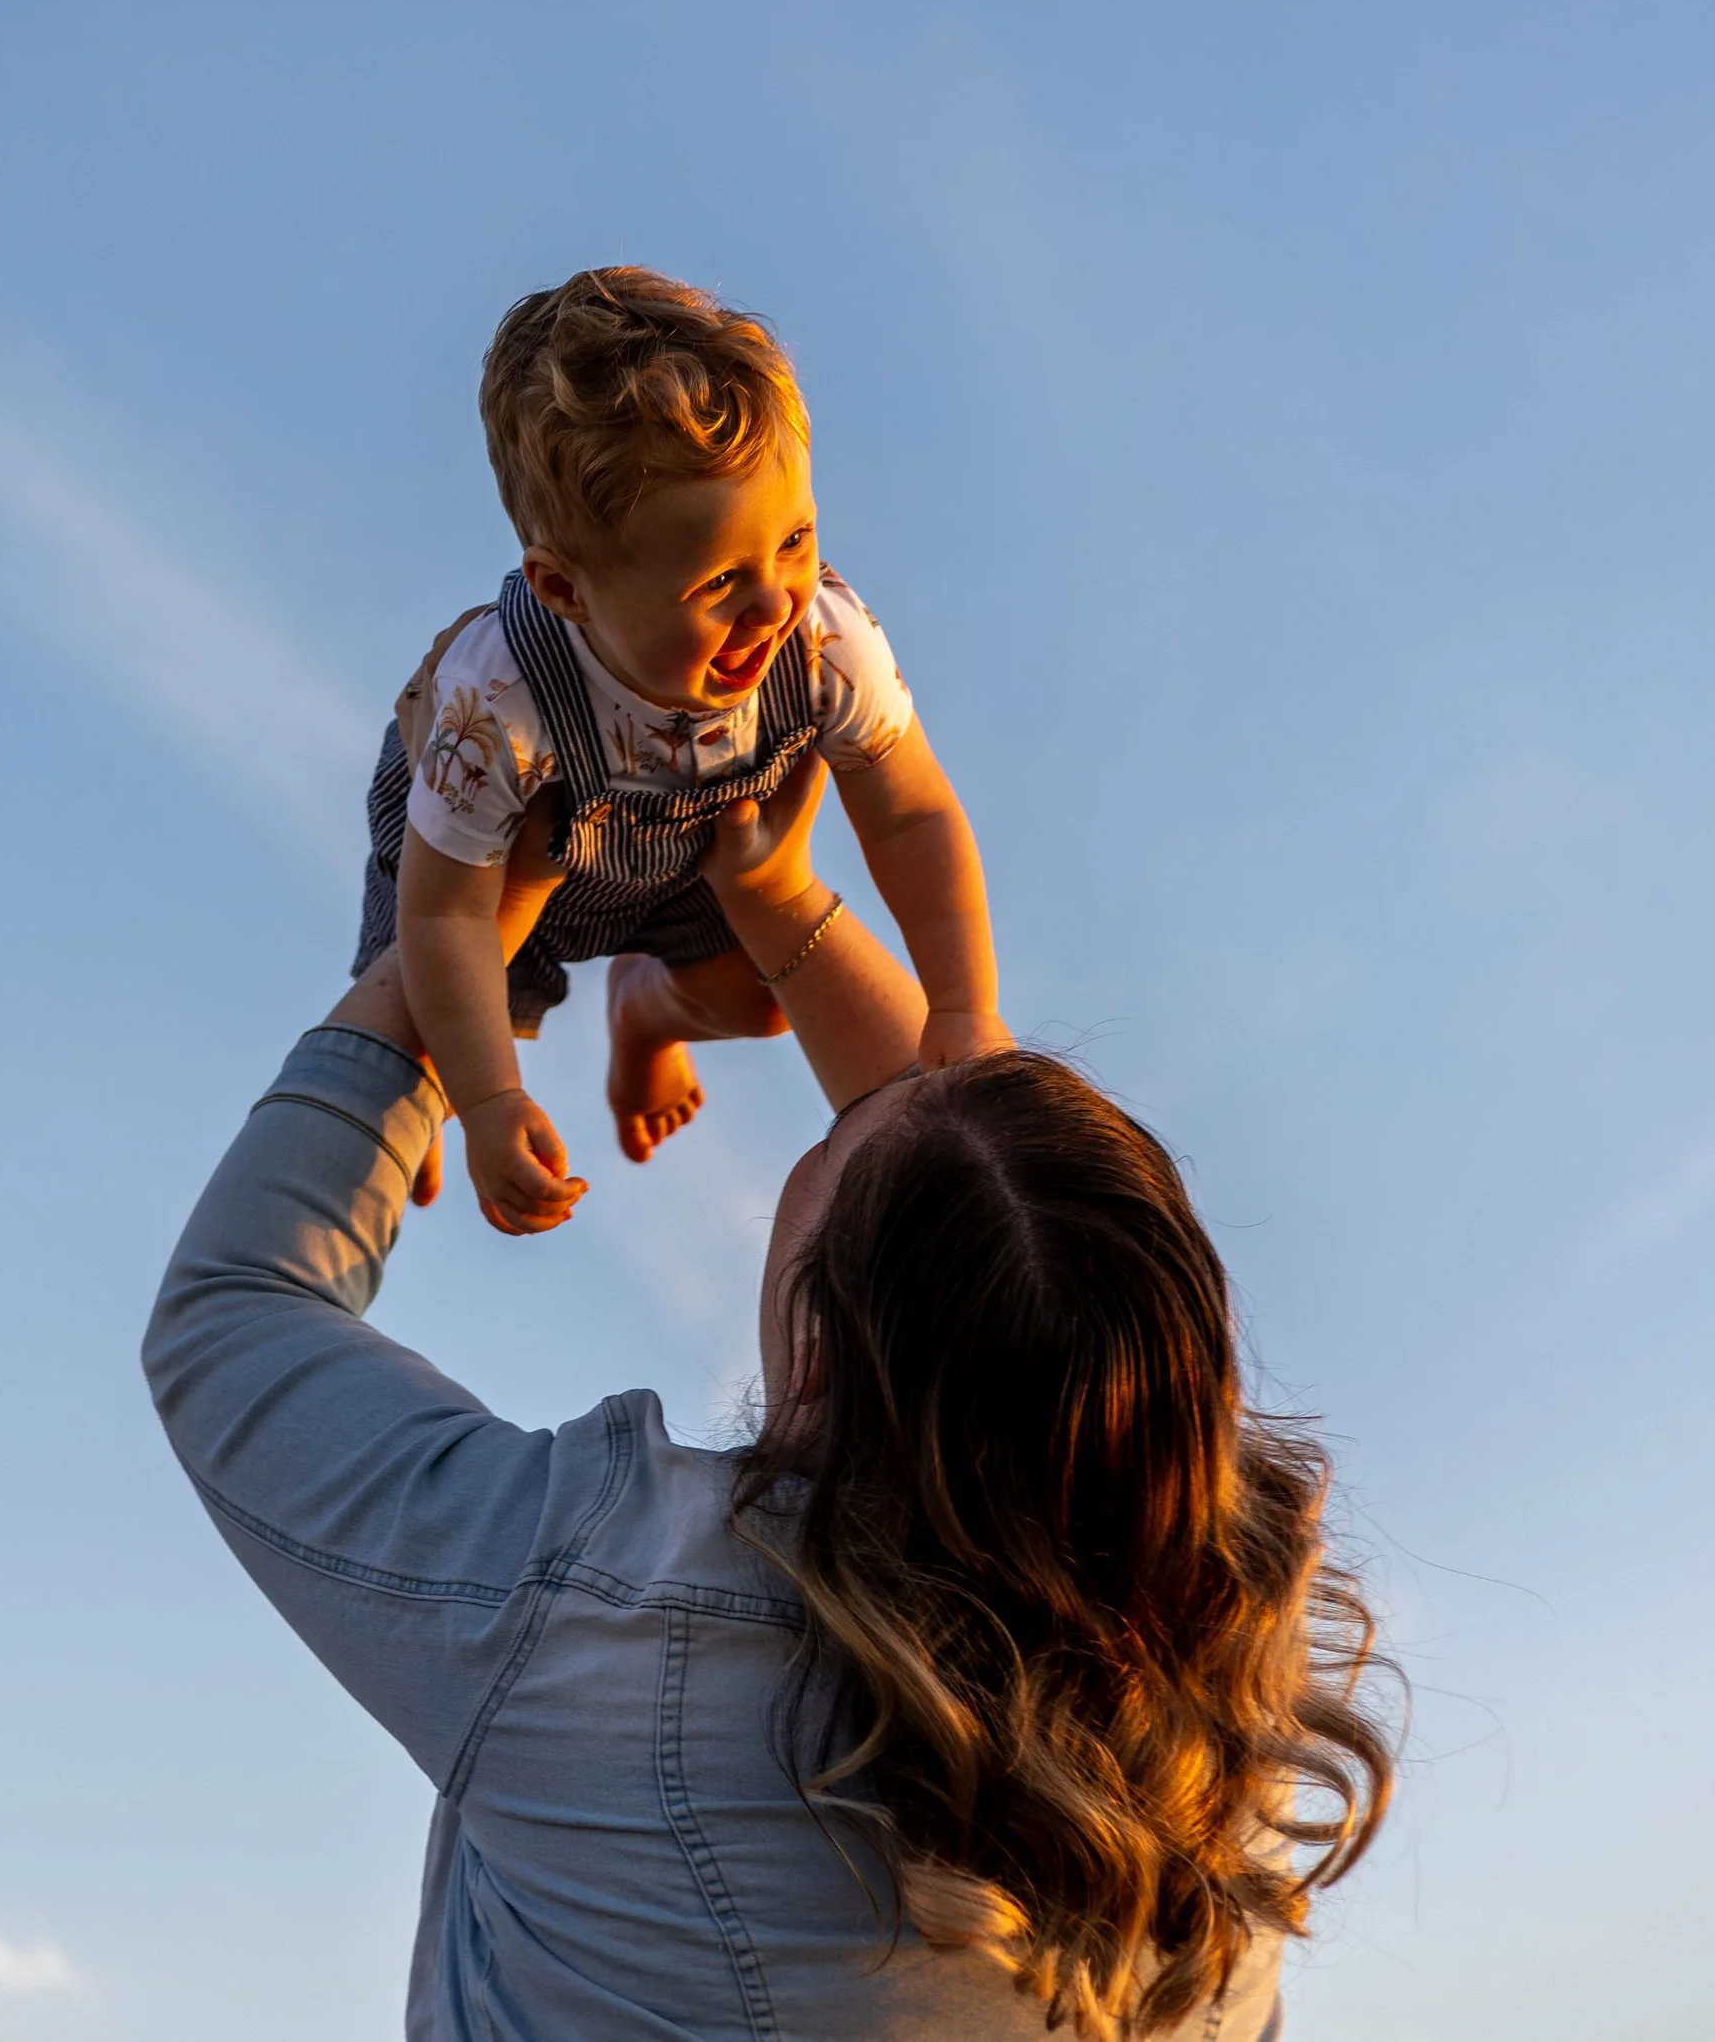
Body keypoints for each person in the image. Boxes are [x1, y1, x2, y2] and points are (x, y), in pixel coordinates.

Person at [148, 761, 1392, 2042]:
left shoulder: (586, 1614)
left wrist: (458, 931)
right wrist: (777, 897)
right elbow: (965, 1171)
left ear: (810, 1361)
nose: (857, 1100)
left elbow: (235, 1307)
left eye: (823, 1152)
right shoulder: (1215, 1750)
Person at [356, 266, 1008, 1231]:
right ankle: (414, 1110)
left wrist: (962, 1003)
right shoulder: (494, 702)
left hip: (685, 856)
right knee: (404, 1055)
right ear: (563, 590)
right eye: (718, 585)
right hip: (482, 874)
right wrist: (488, 1099)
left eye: (795, 539)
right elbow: (445, 917)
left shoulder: (825, 641)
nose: (774, 599)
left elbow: (914, 814)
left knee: (768, 999)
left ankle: (647, 1011)